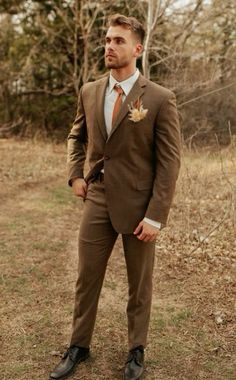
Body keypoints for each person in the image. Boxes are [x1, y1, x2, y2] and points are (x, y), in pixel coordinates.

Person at [50, 13, 181, 380]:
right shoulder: (90, 91)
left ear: (138, 48)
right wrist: (76, 174)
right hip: (98, 198)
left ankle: (136, 350)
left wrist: (156, 215)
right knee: (86, 276)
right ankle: (79, 345)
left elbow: (170, 162)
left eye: (119, 40)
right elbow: (76, 138)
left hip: (140, 206)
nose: (109, 46)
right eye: (107, 40)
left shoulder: (159, 99)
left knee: (140, 283)